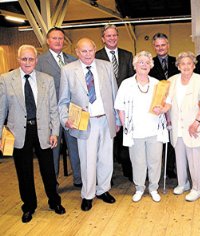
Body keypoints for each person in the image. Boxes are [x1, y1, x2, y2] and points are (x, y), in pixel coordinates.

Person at [0, 45, 65, 223]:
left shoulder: (47, 80)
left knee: (49, 170)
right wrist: (0, 136)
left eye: (31, 59)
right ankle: (29, 206)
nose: (27, 62)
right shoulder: (6, 80)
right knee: (24, 172)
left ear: (36, 60)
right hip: (18, 133)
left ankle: (54, 201)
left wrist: (55, 132)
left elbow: (53, 109)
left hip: (43, 130)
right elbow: (1, 110)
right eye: (24, 59)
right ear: (18, 60)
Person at [58, 38, 120, 211]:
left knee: (106, 159)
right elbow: (63, 101)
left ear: (95, 49)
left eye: (90, 50)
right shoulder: (68, 70)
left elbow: (115, 95)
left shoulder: (106, 66)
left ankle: (103, 190)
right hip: (84, 122)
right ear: (77, 52)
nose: (87, 54)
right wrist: (65, 119)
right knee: (87, 161)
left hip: (105, 120)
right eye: (83, 51)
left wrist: (116, 120)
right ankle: (88, 194)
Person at [115, 51, 168, 202]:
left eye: (147, 62)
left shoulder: (158, 84)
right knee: (138, 161)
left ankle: (153, 187)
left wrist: (163, 109)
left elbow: (167, 103)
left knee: (155, 160)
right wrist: (126, 126)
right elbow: (120, 107)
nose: (144, 65)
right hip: (135, 131)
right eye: (140, 62)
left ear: (151, 66)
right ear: (135, 65)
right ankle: (139, 188)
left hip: (154, 130)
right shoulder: (126, 84)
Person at [158, 52, 200, 202]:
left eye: (189, 63)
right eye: (183, 64)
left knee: (195, 159)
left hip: (194, 125)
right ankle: (183, 183)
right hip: (177, 126)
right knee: (179, 157)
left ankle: (197, 188)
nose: (186, 66)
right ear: (178, 66)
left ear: (194, 65)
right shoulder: (172, 80)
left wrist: (196, 123)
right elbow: (168, 102)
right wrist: (165, 116)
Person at [36, 27, 81, 187]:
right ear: (48, 41)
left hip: (71, 112)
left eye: (61, 38)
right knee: (53, 149)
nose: (58, 41)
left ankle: (79, 179)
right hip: (51, 113)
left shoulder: (73, 59)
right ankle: (52, 183)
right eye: (54, 38)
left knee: (75, 147)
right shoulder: (39, 61)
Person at [95, 24, 134, 181]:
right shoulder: (96, 56)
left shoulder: (127, 55)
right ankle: (107, 176)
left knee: (125, 140)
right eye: (108, 36)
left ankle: (128, 171)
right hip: (104, 105)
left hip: (125, 105)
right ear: (103, 38)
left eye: (114, 35)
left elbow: (132, 79)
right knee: (106, 142)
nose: (112, 38)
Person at [149, 32, 179, 179]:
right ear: (154, 47)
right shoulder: (150, 64)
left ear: (168, 45)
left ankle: (170, 168)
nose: (160, 48)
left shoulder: (177, 62)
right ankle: (157, 169)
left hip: (175, 105)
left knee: (173, 136)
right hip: (157, 106)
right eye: (157, 45)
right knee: (158, 138)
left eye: (163, 45)